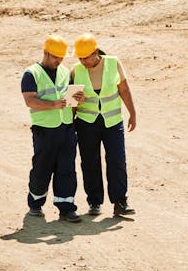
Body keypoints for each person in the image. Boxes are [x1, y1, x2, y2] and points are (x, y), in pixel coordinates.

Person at [72, 34, 137, 218]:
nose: (83, 61)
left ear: (95, 52)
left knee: (117, 160)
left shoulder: (113, 63)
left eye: (86, 57)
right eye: (80, 58)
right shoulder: (76, 71)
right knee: (90, 162)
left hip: (112, 121)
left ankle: (120, 202)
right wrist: (70, 121)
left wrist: (132, 113)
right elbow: (72, 102)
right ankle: (94, 202)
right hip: (86, 123)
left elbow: (124, 89)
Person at [21, 36, 83, 222]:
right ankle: (35, 204)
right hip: (44, 130)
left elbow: (68, 96)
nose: (59, 60)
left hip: (66, 128)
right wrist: (53, 105)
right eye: (55, 56)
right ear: (46, 53)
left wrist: (77, 99)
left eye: (61, 57)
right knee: (42, 167)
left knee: (67, 168)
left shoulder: (64, 72)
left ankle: (66, 208)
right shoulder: (31, 73)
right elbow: (29, 100)